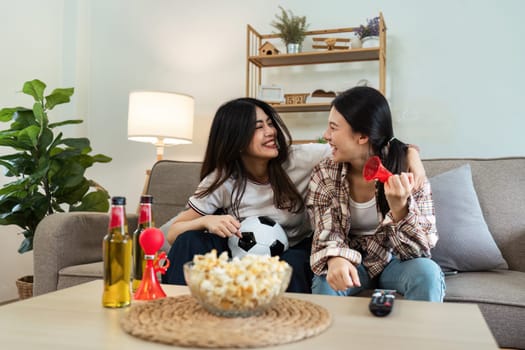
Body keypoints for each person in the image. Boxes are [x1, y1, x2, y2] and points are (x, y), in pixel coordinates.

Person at [162, 97, 426, 293]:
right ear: (235, 138)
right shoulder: (222, 179)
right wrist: (206, 221)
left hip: (294, 248)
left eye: (270, 123)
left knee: (293, 264)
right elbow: (174, 232)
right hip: (240, 253)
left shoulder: (302, 158)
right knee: (190, 241)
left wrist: (410, 155)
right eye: (258, 127)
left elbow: (368, 146)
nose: (271, 131)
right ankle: (177, 316)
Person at [306, 86, 445, 301]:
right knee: (327, 281)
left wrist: (400, 209)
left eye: (333, 128)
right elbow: (326, 232)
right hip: (352, 260)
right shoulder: (325, 174)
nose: (326, 136)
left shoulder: (408, 171)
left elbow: (420, 250)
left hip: (396, 261)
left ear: (362, 136)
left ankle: (421, 334)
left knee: (427, 273)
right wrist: (335, 259)